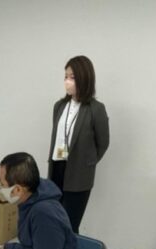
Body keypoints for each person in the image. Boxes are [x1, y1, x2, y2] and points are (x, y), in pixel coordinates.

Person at [47, 55, 110, 234]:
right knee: (55, 220)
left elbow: (103, 143)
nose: (67, 81)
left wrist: (87, 163)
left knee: (70, 225)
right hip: (57, 168)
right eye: (65, 77)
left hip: (79, 174)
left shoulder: (96, 109)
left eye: (72, 77)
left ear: (84, 78)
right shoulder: (59, 106)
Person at [0, 152, 81, 249]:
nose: (0, 188)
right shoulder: (31, 195)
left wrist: (9, 248)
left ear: (17, 190)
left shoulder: (43, 212)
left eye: (2, 184)